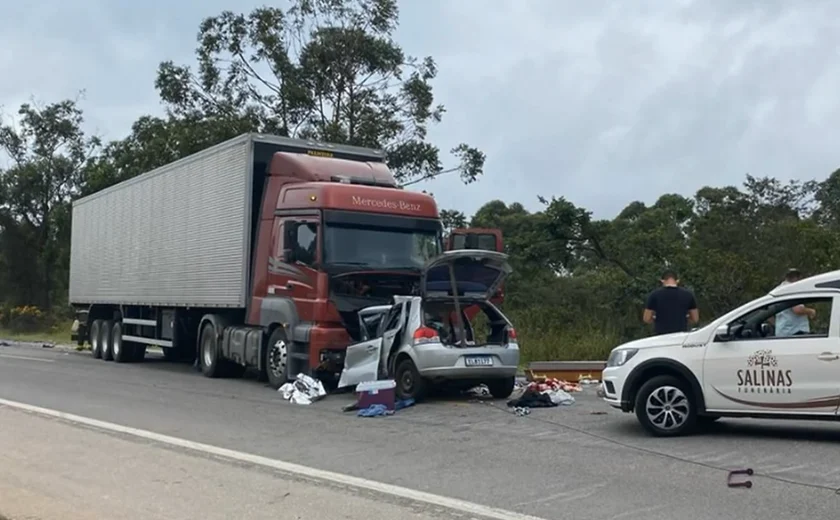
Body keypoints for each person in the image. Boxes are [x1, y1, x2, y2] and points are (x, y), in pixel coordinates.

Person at [643, 269, 699, 335]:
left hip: (661, 335)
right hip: (681, 335)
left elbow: (646, 318)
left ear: (662, 281)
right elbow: (695, 319)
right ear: (677, 281)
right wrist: (683, 319)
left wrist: (658, 319)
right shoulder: (688, 295)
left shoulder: (654, 295)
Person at [774, 268, 815, 336]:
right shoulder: (792, 289)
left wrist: (777, 325)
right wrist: (811, 311)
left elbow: (767, 310)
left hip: (782, 332)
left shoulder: (777, 290)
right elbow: (797, 310)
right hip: (795, 332)